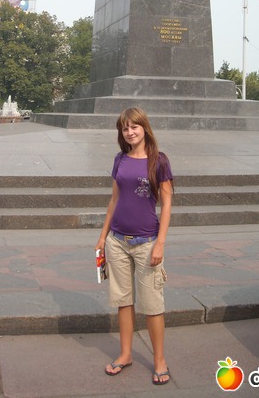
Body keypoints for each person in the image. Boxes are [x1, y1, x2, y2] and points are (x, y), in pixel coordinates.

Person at [95, 107, 173, 386]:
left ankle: (159, 360)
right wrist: (103, 237)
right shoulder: (120, 159)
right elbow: (114, 200)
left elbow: (167, 204)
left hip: (147, 243)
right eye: (125, 128)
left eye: (134, 127)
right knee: (123, 301)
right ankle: (126, 354)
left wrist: (160, 243)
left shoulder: (158, 160)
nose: (129, 132)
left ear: (144, 128)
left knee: (152, 305)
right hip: (117, 241)